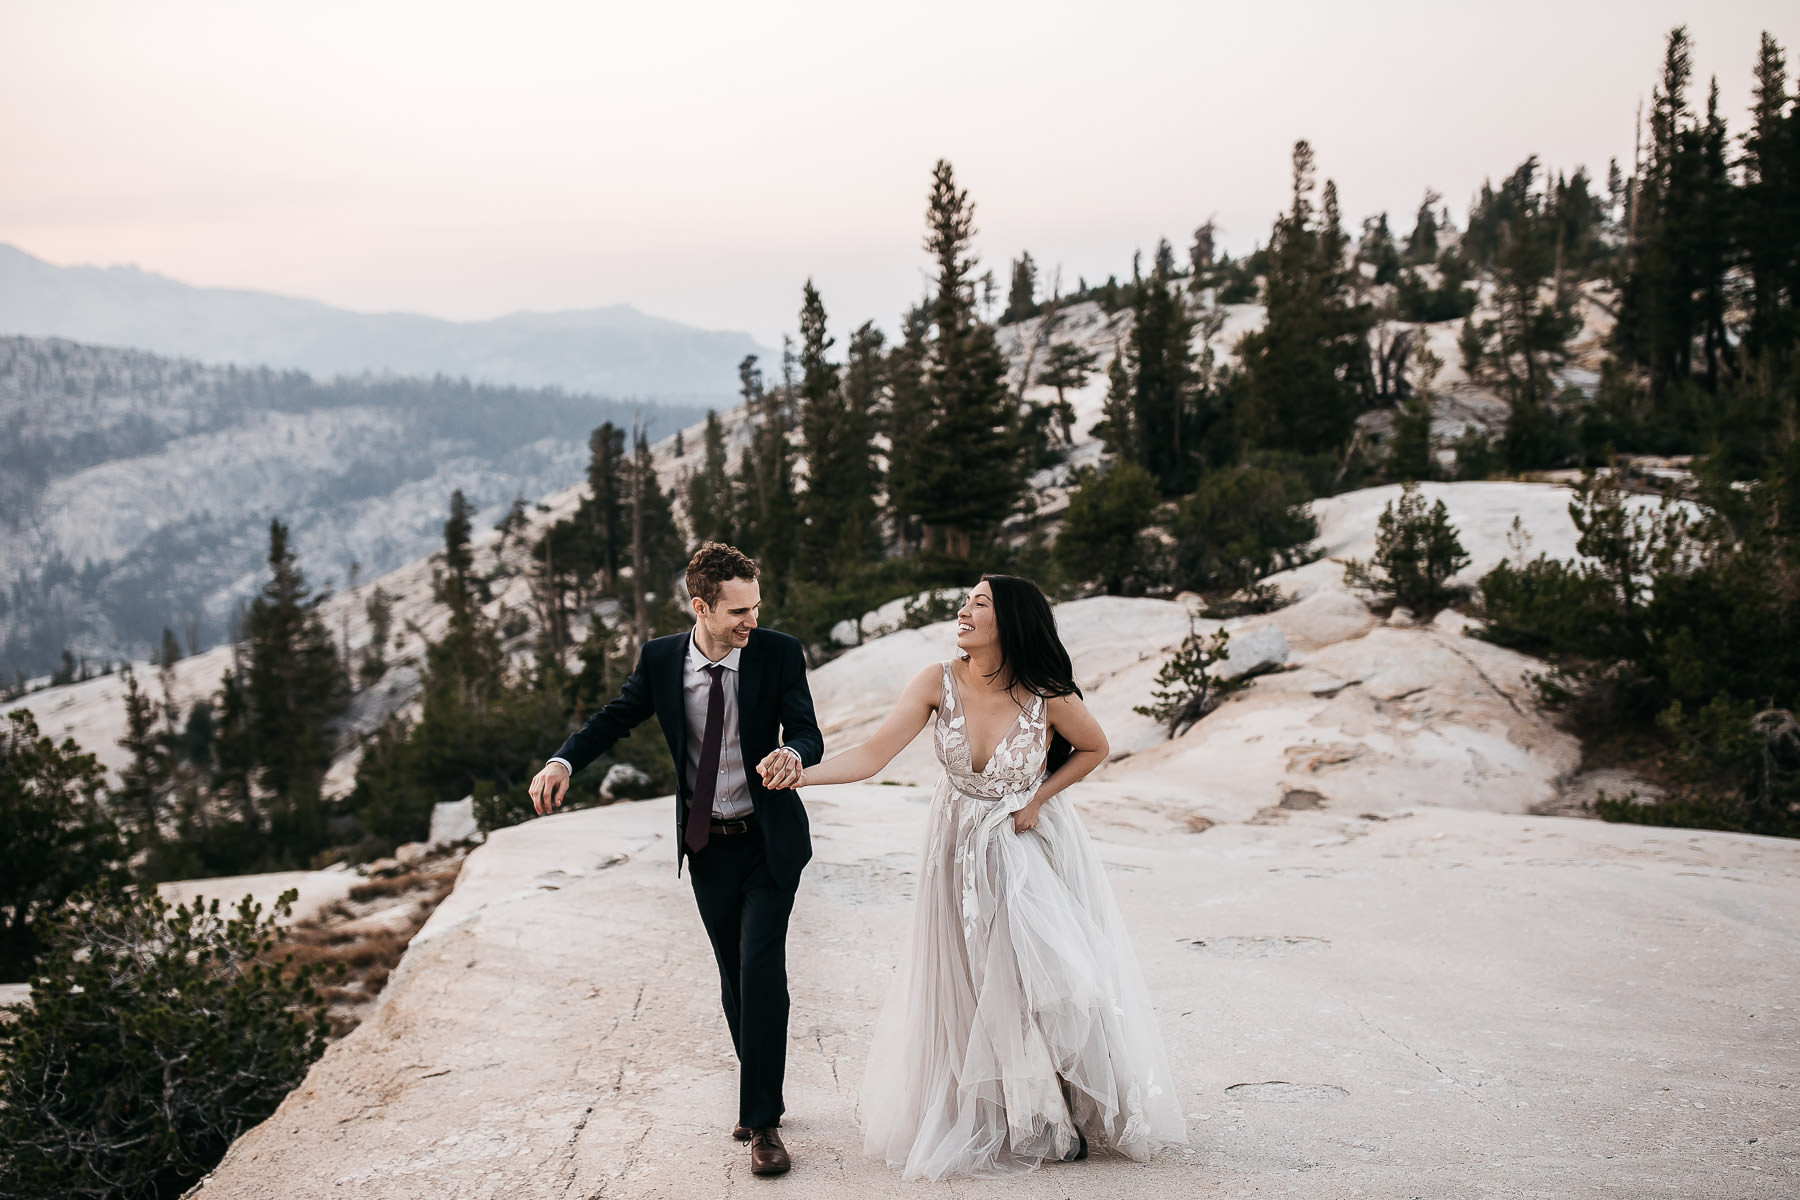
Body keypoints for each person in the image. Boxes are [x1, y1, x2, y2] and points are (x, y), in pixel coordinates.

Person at [767, 575, 1186, 1179]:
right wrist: (801, 776)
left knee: (1040, 972)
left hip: (1026, 842)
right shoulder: (936, 681)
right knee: (968, 975)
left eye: (980, 603)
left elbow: (1095, 748)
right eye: (964, 600)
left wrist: (1039, 799)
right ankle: (1009, 1114)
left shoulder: (1048, 693)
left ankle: (1059, 1106)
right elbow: (873, 754)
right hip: (956, 843)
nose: (963, 610)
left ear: (1009, 621)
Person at [527, 542, 822, 1178]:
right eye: (739, 611)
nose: (751, 621)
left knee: (761, 968)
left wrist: (794, 755)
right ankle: (759, 1086)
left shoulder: (777, 652)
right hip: (707, 844)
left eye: (756, 607)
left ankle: (763, 1122)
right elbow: (615, 718)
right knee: (734, 976)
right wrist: (563, 760)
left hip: (770, 840)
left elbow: (807, 729)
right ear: (701, 607)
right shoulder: (662, 659)